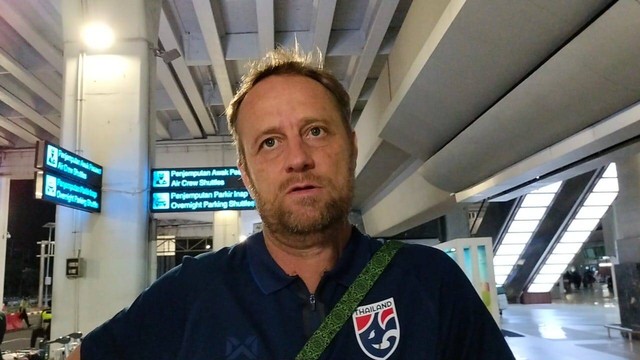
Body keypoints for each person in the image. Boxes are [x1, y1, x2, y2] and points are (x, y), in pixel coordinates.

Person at [69, 47, 514, 359]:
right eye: (269, 142)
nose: (298, 158)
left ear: (352, 148)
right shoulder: (191, 294)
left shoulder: (431, 283)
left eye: (316, 131)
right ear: (245, 173)